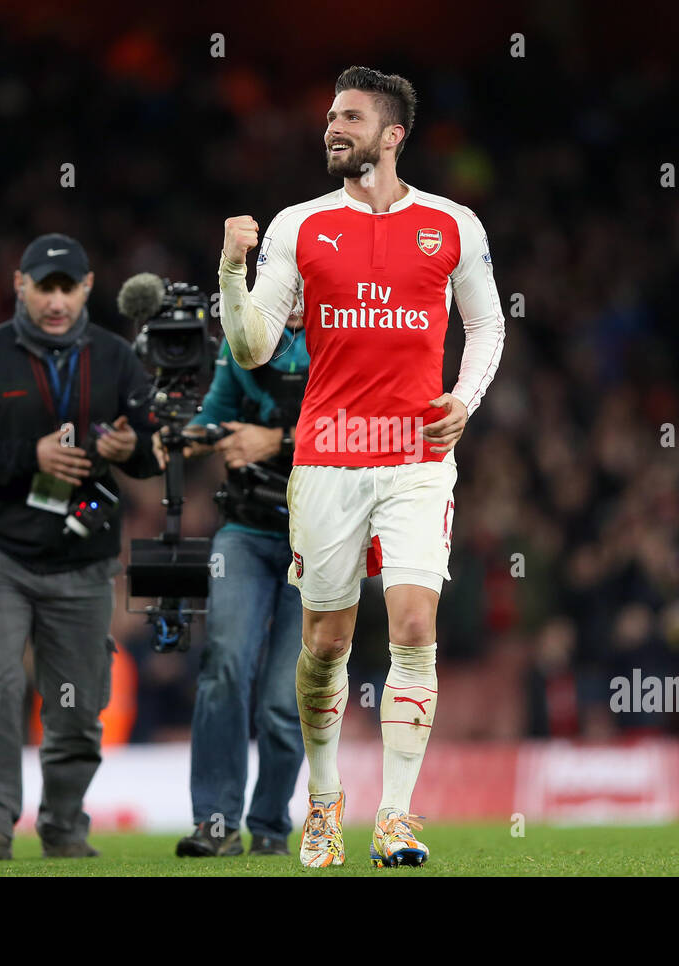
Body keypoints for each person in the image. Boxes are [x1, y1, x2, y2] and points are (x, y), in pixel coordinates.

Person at [216, 66, 505, 867]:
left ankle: (398, 818)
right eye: (330, 117)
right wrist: (230, 271)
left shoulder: (452, 226)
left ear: (392, 135)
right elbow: (252, 346)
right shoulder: (299, 225)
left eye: (349, 117)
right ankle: (323, 801)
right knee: (328, 644)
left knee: (415, 626)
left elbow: (487, 326)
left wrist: (465, 400)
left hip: (417, 455)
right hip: (328, 458)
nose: (332, 128)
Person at [0, 233, 163, 860]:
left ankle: (63, 825)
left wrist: (131, 452)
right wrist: (28, 457)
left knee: (77, 709)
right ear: (21, 286)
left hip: (83, 561)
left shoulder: (117, 360)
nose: (57, 300)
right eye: (45, 287)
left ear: (88, 287)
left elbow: (155, 452)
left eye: (68, 287)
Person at [171, 318, 310, 858]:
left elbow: (358, 427)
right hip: (245, 532)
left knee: (284, 697)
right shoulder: (241, 342)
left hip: (319, 541)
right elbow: (214, 412)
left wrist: (275, 439)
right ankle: (216, 821)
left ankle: (271, 824)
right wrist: (183, 438)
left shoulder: (344, 336)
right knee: (224, 664)